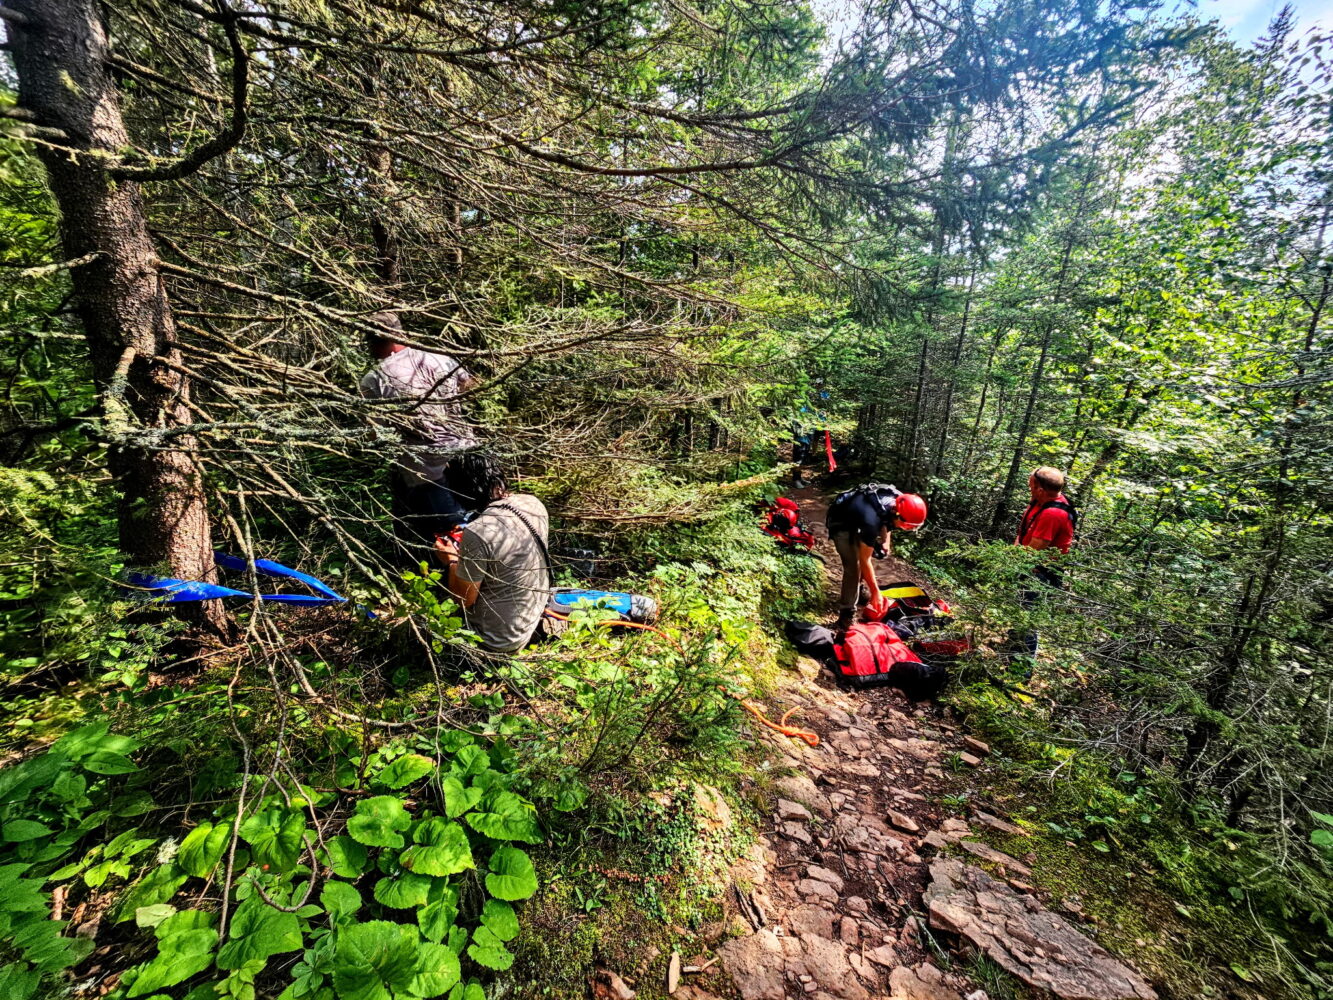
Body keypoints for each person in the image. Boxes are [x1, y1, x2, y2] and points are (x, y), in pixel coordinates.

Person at [359, 312, 478, 567]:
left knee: (450, 537)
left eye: (370, 341)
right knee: (481, 523)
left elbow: (375, 432)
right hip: (467, 454)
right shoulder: (440, 356)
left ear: (380, 340)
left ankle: (457, 592)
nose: (369, 347)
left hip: (424, 470)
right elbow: (470, 387)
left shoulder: (375, 379)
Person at [434, 453, 553, 653]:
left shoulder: (477, 532)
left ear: (462, 489)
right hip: (534, 615)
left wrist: (451, 560)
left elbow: (463, 600)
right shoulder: (533, 504)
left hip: (497, 641)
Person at [826, 483, 928, 629]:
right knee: (853, 566)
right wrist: (876, 592)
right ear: (897, 514)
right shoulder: (870, 521)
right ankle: (846, 614)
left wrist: (885, 541)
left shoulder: (899, 502)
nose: (909, 529)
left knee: (871, 553)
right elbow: (864, 559)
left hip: (860, 518)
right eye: (909, 526)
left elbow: (887, 520)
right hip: (841, 522)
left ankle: (858, 591)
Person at [1012, 466, 1077, 663]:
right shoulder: (1041, 501)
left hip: (1040, 574)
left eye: (1031, 484)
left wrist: (1009, 563)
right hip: (1026, 567)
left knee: (1028, 619)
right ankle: (1012, 646)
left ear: (1040, 489)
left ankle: (1020, 667)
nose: (1028, 486)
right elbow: (1024, 534)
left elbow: (1035, 550)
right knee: (1018, 611)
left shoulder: (1053, 514)